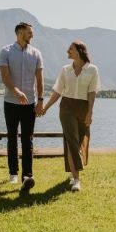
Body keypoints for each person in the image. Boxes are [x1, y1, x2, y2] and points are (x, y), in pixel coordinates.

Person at [40, 41, 99, 192]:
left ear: (79, 51)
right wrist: (46, 107)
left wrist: (90, 111)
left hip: (83, 107)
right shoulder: (65, 70)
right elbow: (57, 92)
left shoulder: (92, 70)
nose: (67, 51)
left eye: (70, 49)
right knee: (72, 141)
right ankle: (77, 180)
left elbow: (92, 92)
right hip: (66, 108)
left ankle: (73, 173)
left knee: (79, 141)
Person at [0, 21, 44, 193]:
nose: (32, 35)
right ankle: (13, 174)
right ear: (20, 33)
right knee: (12, 137)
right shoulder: (6, 51)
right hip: (10, 102)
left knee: (28, 139)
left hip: (30, 104)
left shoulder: (36, 53)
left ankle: (27, 176)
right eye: (29, 32)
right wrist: (16, 91)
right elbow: (4, 76)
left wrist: (40, 101)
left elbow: (39, 79)